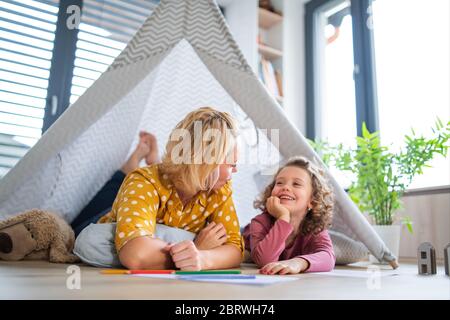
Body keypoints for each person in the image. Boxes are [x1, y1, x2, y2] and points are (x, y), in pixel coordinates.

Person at [74, 107, 243, 271]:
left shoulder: (219, 188)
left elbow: (235, 249)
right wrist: (196, 248)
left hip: (145, 214)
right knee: (84, 235)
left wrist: (202, 259)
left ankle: (145, 162)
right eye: (232, 164)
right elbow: (136, 255)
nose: (235, 171)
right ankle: (130, 166)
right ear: (206, 161)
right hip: (115, 214)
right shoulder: (144, 181)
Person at [243, 156, 335, 274]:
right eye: (279, 183)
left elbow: (328, 257)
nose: (285, 187)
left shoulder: (314, 227)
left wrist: (298, 263)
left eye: (296, 184)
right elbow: (264, 260)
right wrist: (283, 218)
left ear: (312, 201)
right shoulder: (260, 222)